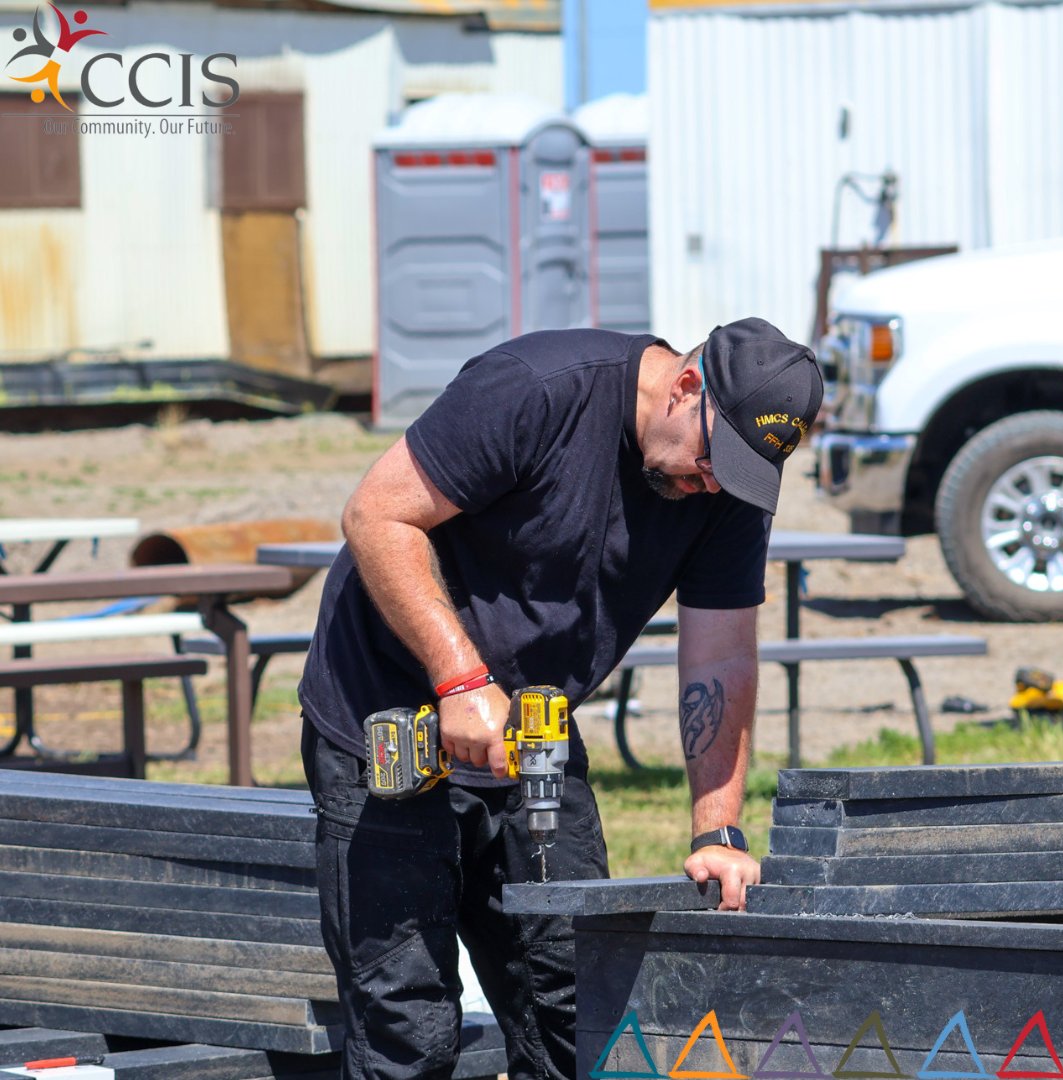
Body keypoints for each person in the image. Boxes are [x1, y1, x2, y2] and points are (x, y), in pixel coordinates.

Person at [299, 317, 823, 1080]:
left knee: (578, 1008)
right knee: (409, 1031)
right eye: (714, 459)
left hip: (533, 737)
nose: (711, 483)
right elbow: (377, 515)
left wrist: (721, 832)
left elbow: (720, 654)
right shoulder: (538, 389)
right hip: (389, 720)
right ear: (685, 387)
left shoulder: (726, 485)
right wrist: (461, 680)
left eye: (739, 473)